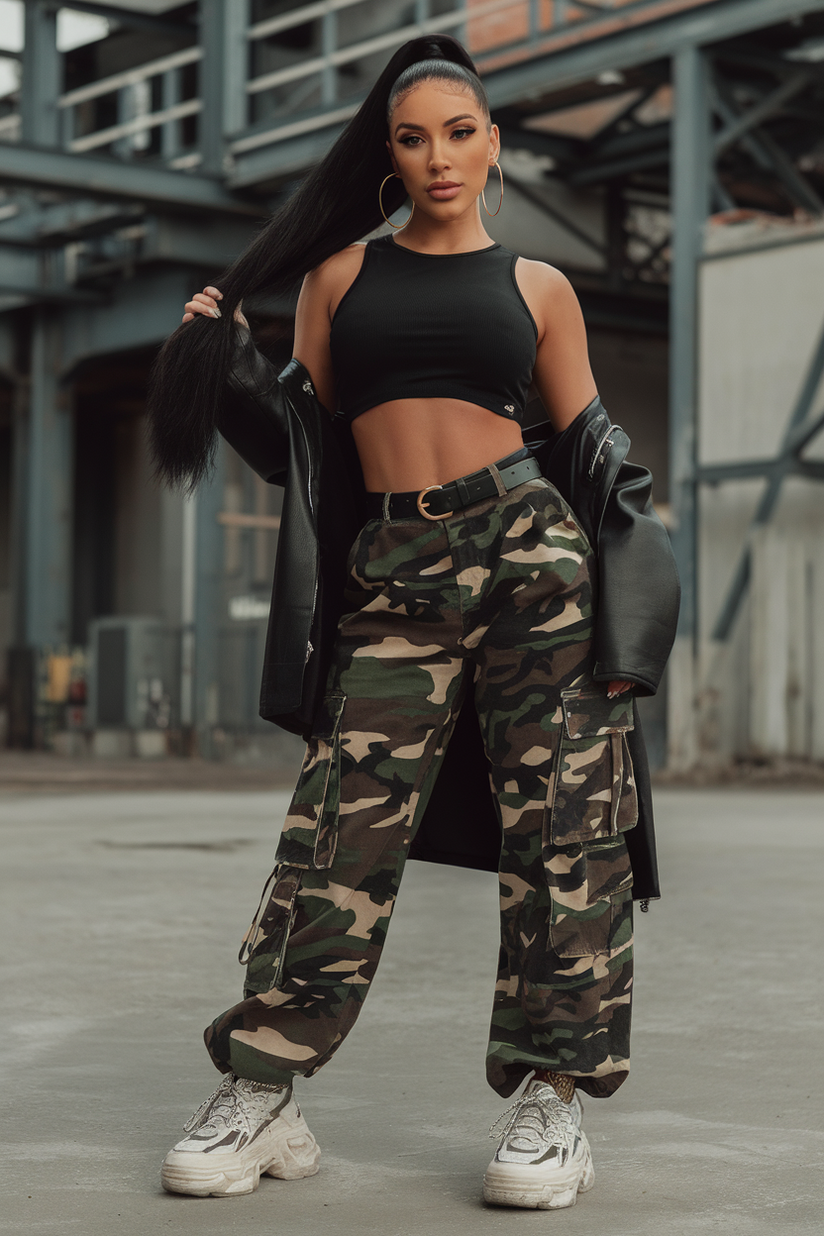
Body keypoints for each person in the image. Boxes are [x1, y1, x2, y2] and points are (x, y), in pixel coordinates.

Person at [148, 34, 678, 1211]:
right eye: (410, 136)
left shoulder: (536, 288)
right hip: (397, 569)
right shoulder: (342, 279)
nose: (436, 155)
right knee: (336, 830)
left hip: (533, 558)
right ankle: (263, 1089)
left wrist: (635, 622)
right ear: (386, 156)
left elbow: (598, 461)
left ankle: (552, 1103)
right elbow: (306, 454)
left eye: (457, 131)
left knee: (562, 832)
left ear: (491, 145)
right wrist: (225, 368)